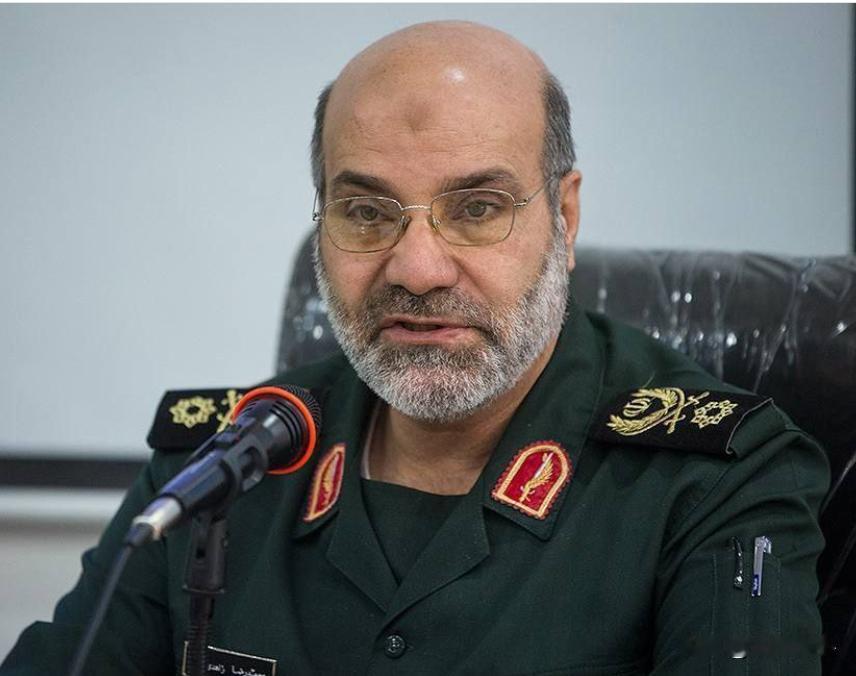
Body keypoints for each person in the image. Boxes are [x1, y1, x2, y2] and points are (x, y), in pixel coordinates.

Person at [2, 20, 828, 675]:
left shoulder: (716, 479)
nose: (418, 269)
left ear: (565, 218)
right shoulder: (222, 468)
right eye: (367, 213)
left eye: (477, 208)